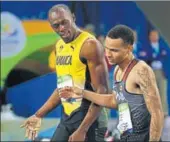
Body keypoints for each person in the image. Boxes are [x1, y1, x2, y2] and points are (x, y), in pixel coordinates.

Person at [20, 4, 109, 142]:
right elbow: (62, 89)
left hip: (90, 121)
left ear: (73, 17)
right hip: (67, 118)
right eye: (56, 25)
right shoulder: (59, 47)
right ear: (51, 27)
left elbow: (102, 91)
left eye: (64, 22)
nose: (61, 28)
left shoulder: (90, 45)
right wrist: (38, 115)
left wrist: (83, 130)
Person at [60, 25, 164, 141]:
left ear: (129, 49)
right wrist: (81, 92)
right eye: (107, 48)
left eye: (114, 50)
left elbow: (157, 113)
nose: (108, 54)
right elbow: (114, 101)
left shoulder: (141, 70)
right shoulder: (117, 70)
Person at [148, 29, 168, 116]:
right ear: (149, 37)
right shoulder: (146, 47)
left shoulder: (163, 46)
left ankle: (164, 112)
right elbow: (145, 59)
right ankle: (153, 112)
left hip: (161, 71)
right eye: (152, 35)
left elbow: (166, 59)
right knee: (151, 93)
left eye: (155, 35)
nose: (154, 37)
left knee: (162, 92)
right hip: (151, 72)